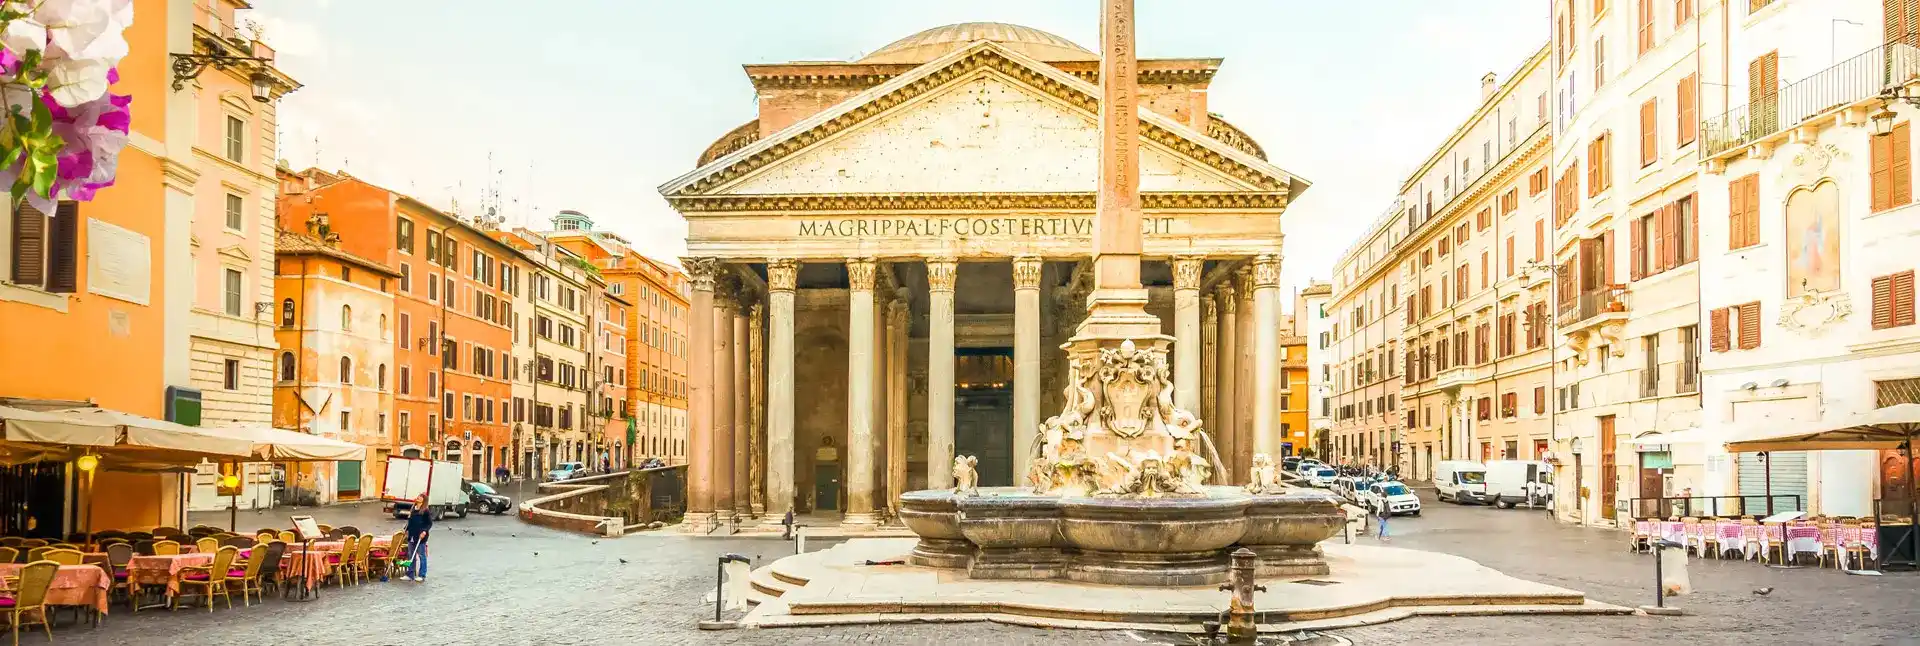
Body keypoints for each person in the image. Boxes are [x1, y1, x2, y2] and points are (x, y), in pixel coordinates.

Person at [403, 493, 432, 582]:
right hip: (412, 535)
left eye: (420, 497)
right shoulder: (413, 509)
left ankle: (422, 574)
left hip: (420, 536)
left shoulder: (425, 511)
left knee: (421, 555)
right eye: (418, 496)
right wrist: (406, 530)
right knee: (411, 555)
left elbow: (429, 523)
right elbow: (410, 521)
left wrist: (424, 531)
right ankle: (410, 574)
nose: (418, 498)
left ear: (423, 500)